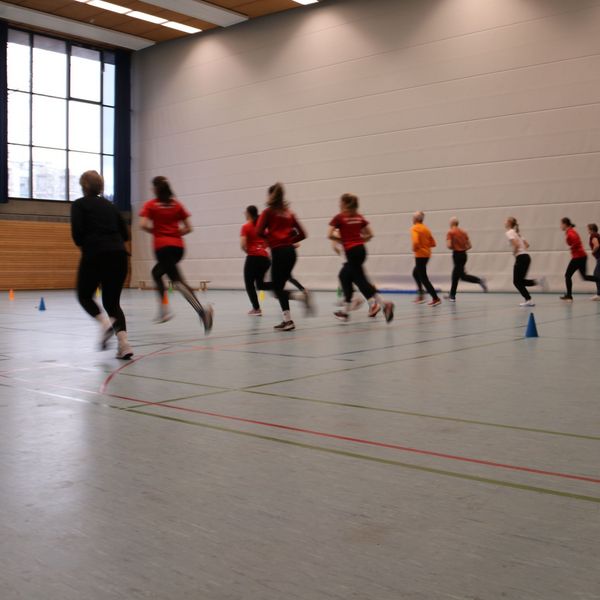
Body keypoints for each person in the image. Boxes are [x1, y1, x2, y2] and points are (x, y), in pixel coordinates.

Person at [70, 170, 132, 360]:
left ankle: (105, 323)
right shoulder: (111, 206)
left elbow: (77, 235)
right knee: (112, 303)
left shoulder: (79, 205)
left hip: (95, 253)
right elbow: (126, 235)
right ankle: (124, 345)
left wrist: (90, 243)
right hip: (119, 256)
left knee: (84, 295)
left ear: (84, 187)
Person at [139, 176, 213, 332]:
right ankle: (164, 309)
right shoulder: (176, 205)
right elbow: (189, 228)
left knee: (178, 282)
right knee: (156, 273)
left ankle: (202, 312)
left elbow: (143, 225)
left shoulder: (151, 205)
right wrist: (175, 233)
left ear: (155, 189)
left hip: (163, 248)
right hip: (178, 248)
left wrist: (156, 232)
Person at [328, 193, 394, 322]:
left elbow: (330, 235)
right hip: (361, 250)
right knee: (346, 276)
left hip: (351, 252)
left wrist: (343, 240)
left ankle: (385, 304)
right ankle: (346, 312)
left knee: (358, 280)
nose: (339, 204)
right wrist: (358, 240)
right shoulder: (359, 217)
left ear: (344, 203)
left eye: (340, 202)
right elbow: (370, 234)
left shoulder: (339, 217)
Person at [256, 182, 311, 331]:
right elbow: (303, 234)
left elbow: (258, 231)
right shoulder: (290, 213)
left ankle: (299, 300)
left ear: (271, 195)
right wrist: (289, 241)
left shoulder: (268, 212)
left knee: (276, 288)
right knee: (278, 287)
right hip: (291, 252)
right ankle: (287, 320)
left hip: (279, 252)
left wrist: (271, 240)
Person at [444, 217, 487, 301]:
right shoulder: (463, 232)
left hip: (457, 255)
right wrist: (462, 249)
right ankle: (452, 295)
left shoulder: (450, 232)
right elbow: (469, 246)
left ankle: (479, 280)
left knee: (460, 276)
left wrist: (456, 247)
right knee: (456, 276)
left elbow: (449, 246)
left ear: (452, 223)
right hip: (464, 255)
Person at [505, 217, 544, 307]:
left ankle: (529, 299)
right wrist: (522, 251)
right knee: (520, 281)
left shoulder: (509, 232)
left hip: (521, 258)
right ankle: (537, 282)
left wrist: (515, 253)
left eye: (506, 221)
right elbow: (527, 244)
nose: (504, 223)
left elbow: (516, 245)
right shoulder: (517, 233)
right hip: (526, 257)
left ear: (509, 223)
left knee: (516, 282)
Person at [241, 205, 271, 315]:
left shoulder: (246, 226)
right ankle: (277, 285)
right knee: (260, 285)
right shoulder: (261, 227)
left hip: (253, 258)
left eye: (245, 212)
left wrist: (250, 251)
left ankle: (256, 309)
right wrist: (261, 248)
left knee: (249, 284)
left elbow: (243, 245)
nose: (244, 214)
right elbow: (268, 241)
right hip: (265, 258)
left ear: (249, 213)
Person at [559, 217, 596, 302]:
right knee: (584, 277)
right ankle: (569, 296)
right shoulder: (570, 231)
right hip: (581, 256)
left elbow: (576, 242)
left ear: (565, 224)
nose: (560, 226)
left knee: (567, 275)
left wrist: (572, 247)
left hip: (578, 257)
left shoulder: (570, 232)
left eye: (561, 224)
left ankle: (569, 296)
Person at [411, 211, 441, 306]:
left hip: (420, 255)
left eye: (413, 217)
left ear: (416, 219)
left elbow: (415, 242)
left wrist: (415, 248)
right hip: (427, 254)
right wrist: (425, 246)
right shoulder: (426, 229)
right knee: (415, 273)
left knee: (423, 278)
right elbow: (433, 243)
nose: (412, 219)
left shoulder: (415, 228)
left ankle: (435, 298)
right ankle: (421, 295)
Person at [587, 223, 600, 301]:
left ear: (591, 230)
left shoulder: (593, 235)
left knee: (597, 274)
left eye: (588, 229)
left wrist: (593, 252)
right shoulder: (597, 235)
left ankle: (599, 294)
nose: (588, 231)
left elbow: (597, 245)